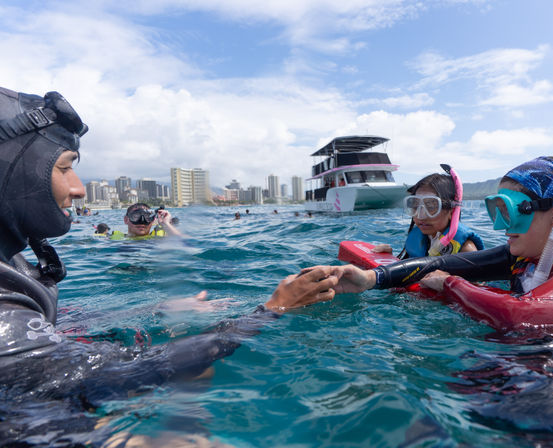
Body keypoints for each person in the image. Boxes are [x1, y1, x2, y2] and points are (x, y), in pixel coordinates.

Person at [0, 87, 340, 444]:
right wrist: (272, 309)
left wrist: (156, 307)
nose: (79, 188)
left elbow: (51, 337)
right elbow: (118, 372)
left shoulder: (13, 269)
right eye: (65, 167)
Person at [317, 156, 553, 328]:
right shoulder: (523, 258)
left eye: (511, 213)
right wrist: (370, 278)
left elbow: (524, 315)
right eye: (497, 211)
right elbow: (440, 264)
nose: (502, 227)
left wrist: (453, 286)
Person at [374, 164, 484, 258]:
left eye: (431, 207)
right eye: (415, 206)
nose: (421, 216)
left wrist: (447, 281)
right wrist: (392, 259)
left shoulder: (466, 250)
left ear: (451, 211)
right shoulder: (421, 239)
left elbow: (479, 283)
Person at [108, 202, 181, 240]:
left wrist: (166, 224)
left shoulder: (160, 238)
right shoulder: (115, 239)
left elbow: (186, 242)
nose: (142, 221)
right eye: (136, 216)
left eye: (147, 217)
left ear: (152, 220)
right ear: (126, 220)